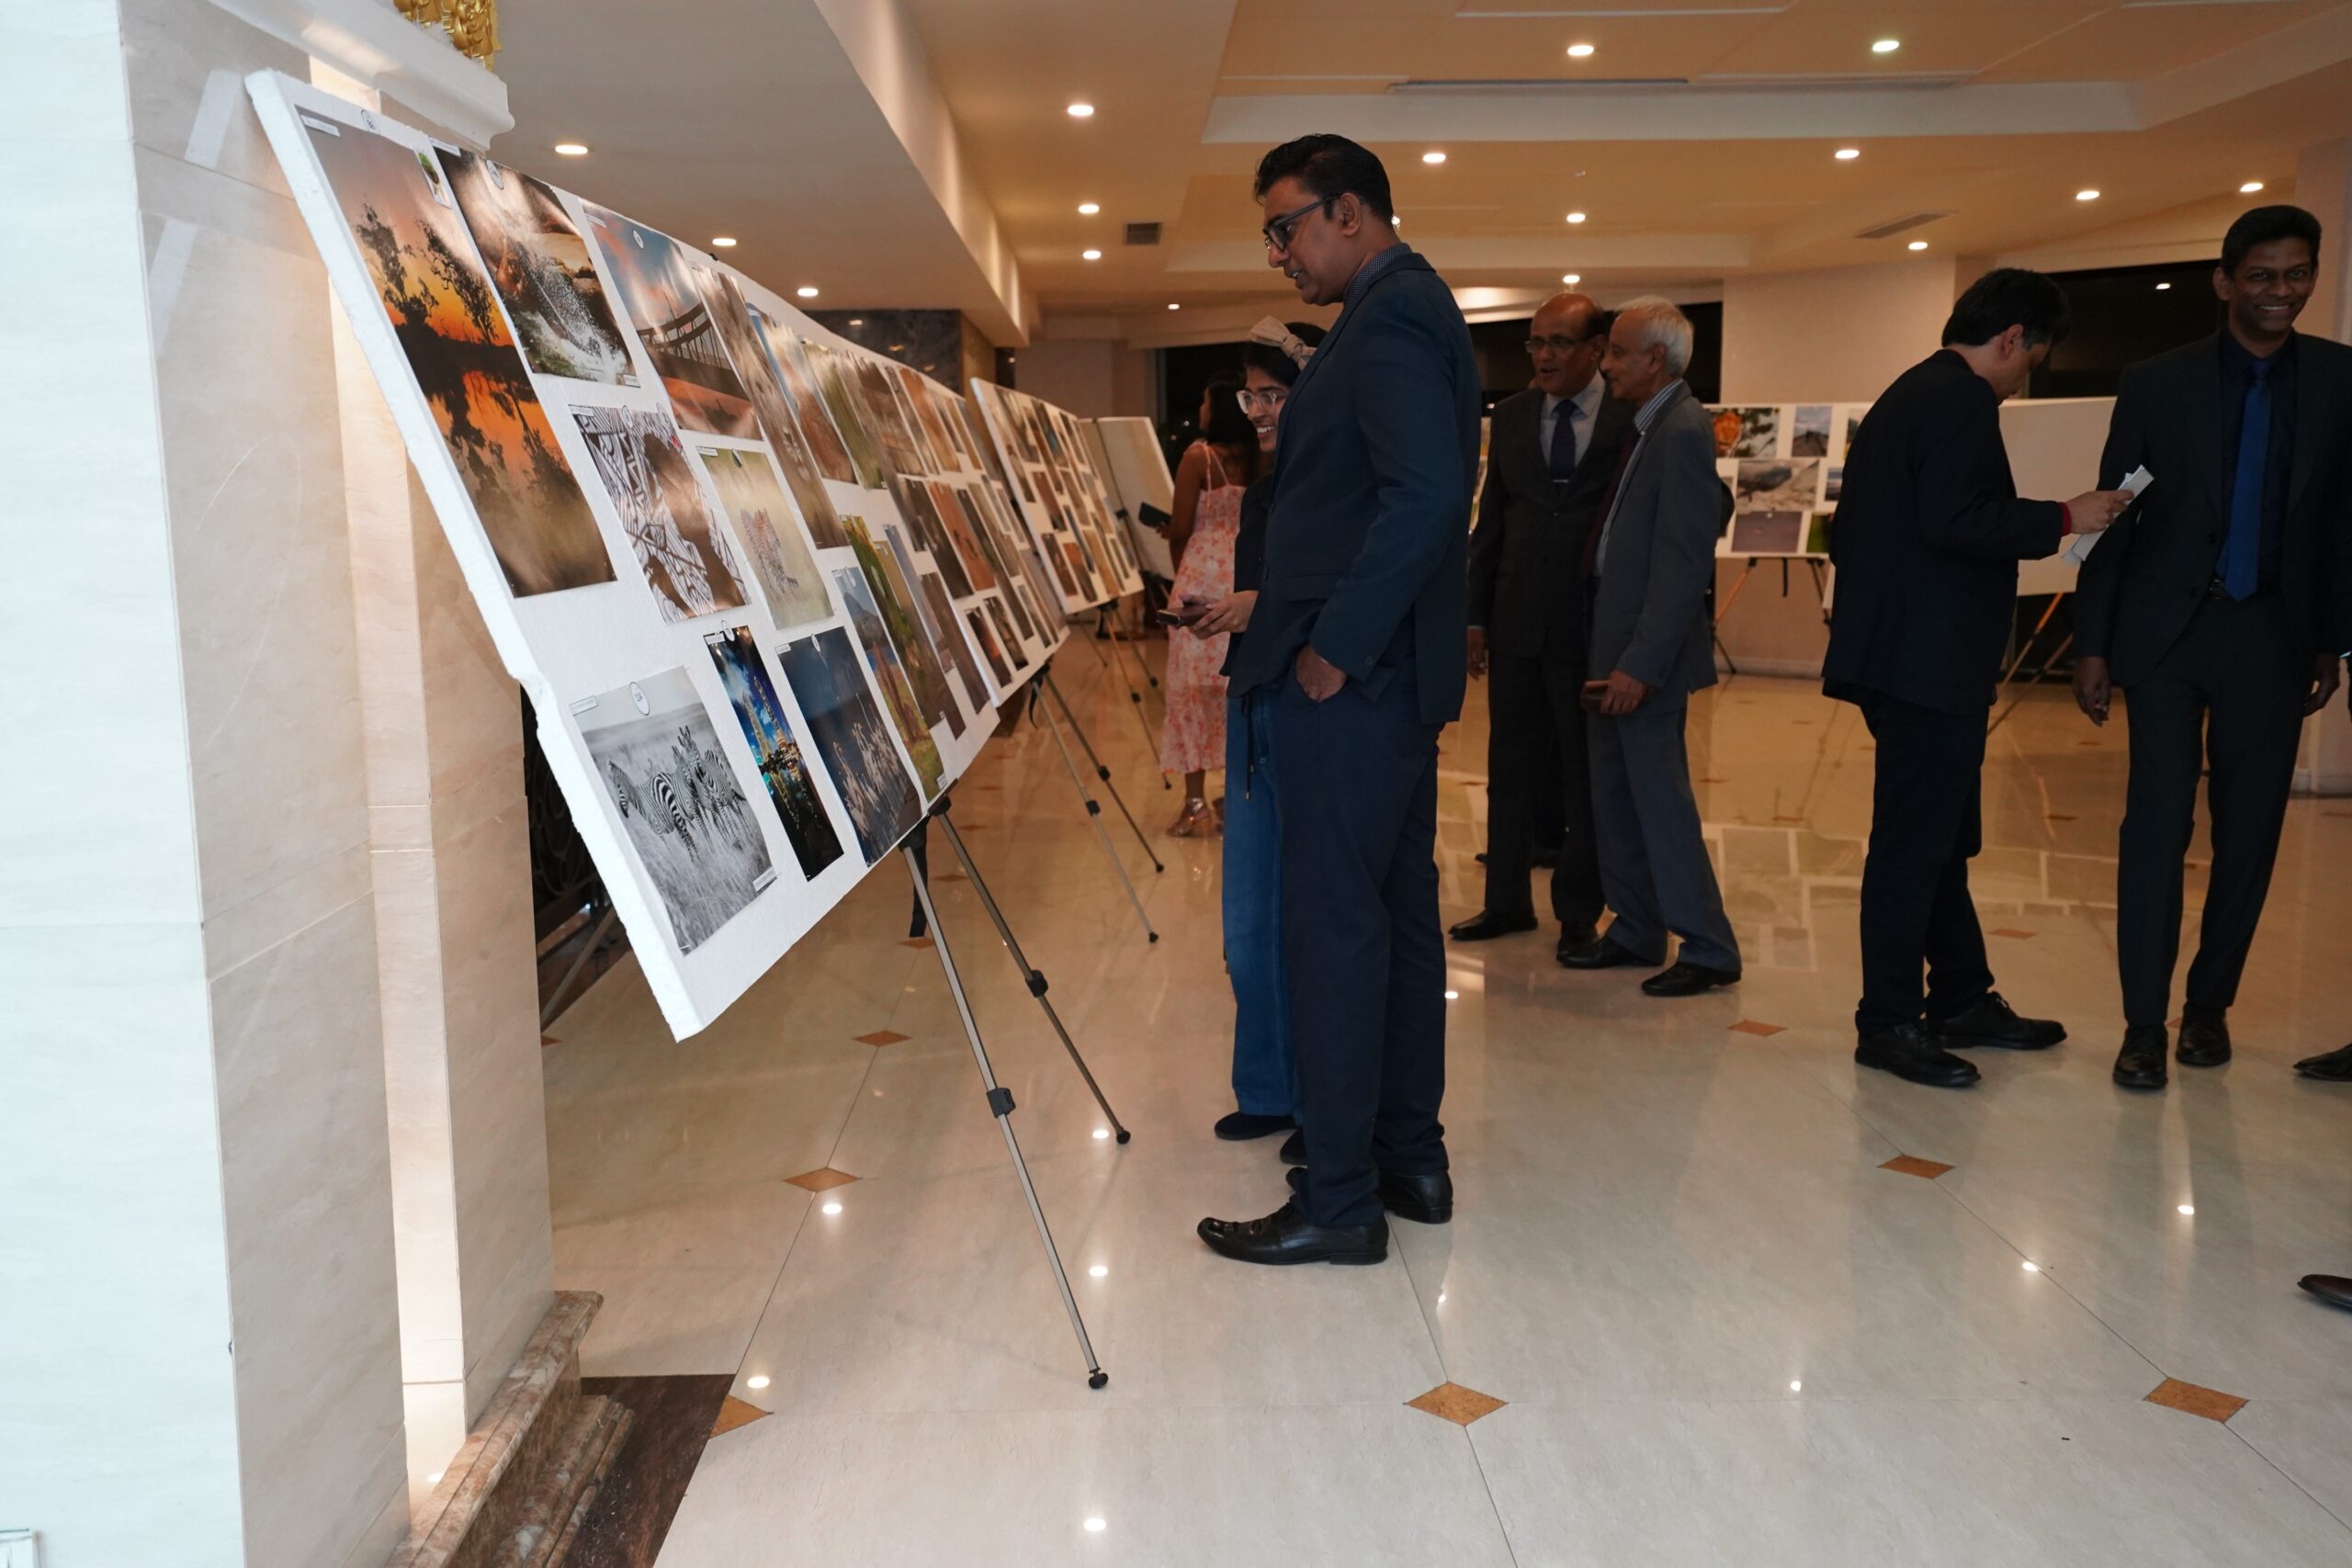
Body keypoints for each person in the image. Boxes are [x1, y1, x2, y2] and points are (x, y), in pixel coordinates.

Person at [1196, 134, 1477, 1268]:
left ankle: (1343, 1199)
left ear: (1348, 211)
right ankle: (1406, 1156)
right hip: (1383, 683)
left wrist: (1336, 648)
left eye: (1285, 227)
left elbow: (1426, 500)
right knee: (1392, 923)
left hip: (1356, 686)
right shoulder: (1397, 309)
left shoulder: (1392, 314)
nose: (1276, 253)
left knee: (1334, 931)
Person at [1822, 268, 2130, 1088]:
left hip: (1907, 657)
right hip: (1928, 663)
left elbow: (1862, 529)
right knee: (1912, 846)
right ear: (2011, 338)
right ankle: (1888, 1022)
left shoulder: (1911, 392)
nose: (2024, 374)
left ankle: (1960, 995)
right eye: (2031, 358)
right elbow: (1955, 518)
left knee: (1941, 841)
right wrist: (2065, 516)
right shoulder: (1958, 399)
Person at [2070, 206, 2352, 1090]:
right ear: (2226, 281)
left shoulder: (2340, 379)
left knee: (2251, 830)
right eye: (2263, 275)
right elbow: (2115, 510)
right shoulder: (2158, 382)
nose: (2281, 292)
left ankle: (2208, 1007)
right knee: (2156, 825)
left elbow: (2342, 523)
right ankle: (2142, 1024)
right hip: (2167, 634)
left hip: (2273, 635)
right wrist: (2091, 640)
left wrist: (2332, 640)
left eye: (2298, 274)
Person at [1556, 299, 1741, 998]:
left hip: (1641, 657)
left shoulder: (1683, 429)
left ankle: (1709, 946)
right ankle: (1636, 928)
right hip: (1613, 644)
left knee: (1659, 802)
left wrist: (1641, 663)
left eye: (1617, 353)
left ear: (1655, 360)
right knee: (1618, 798)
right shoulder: (1651, 425)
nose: (1605, 365)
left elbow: (1682, 564)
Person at [1455, 294, 1629, 961]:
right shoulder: (1513, 415)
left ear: (1596, 349)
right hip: (1516, 621)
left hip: (1590, 627)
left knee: (1583, 777)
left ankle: (1578, 913)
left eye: (1559, 342)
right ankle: (1505, 902)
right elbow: (1491, 523)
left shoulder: (1627, 417)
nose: (1544, 355)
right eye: (1535, 342)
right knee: (1510, 767)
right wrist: (1474, 616)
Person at [1196, 326, 1322, 1144]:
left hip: (1315, 712)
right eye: (1252, 396)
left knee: (1310, 918)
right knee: (1248, 921)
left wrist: (1259, 608)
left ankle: (1321, 1105)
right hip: (1252, 701)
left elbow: (1342, 599)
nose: (1260, 410)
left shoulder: (1339, 485)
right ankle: (1269, 1086)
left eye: (1274, 394)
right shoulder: (1264, 492)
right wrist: (1233, 613)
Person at [1159, 378, 1258, 835]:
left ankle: (1195, 803)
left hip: (1200, 580)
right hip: (1243, 579)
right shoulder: (1257, 457)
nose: (1200, 407)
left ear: (1216, 408)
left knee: (1190, 692)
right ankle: (1235, 797)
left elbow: (1181, 528)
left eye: (1204, 400)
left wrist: (1180, 568)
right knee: (1235, 688)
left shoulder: (1198, 457)